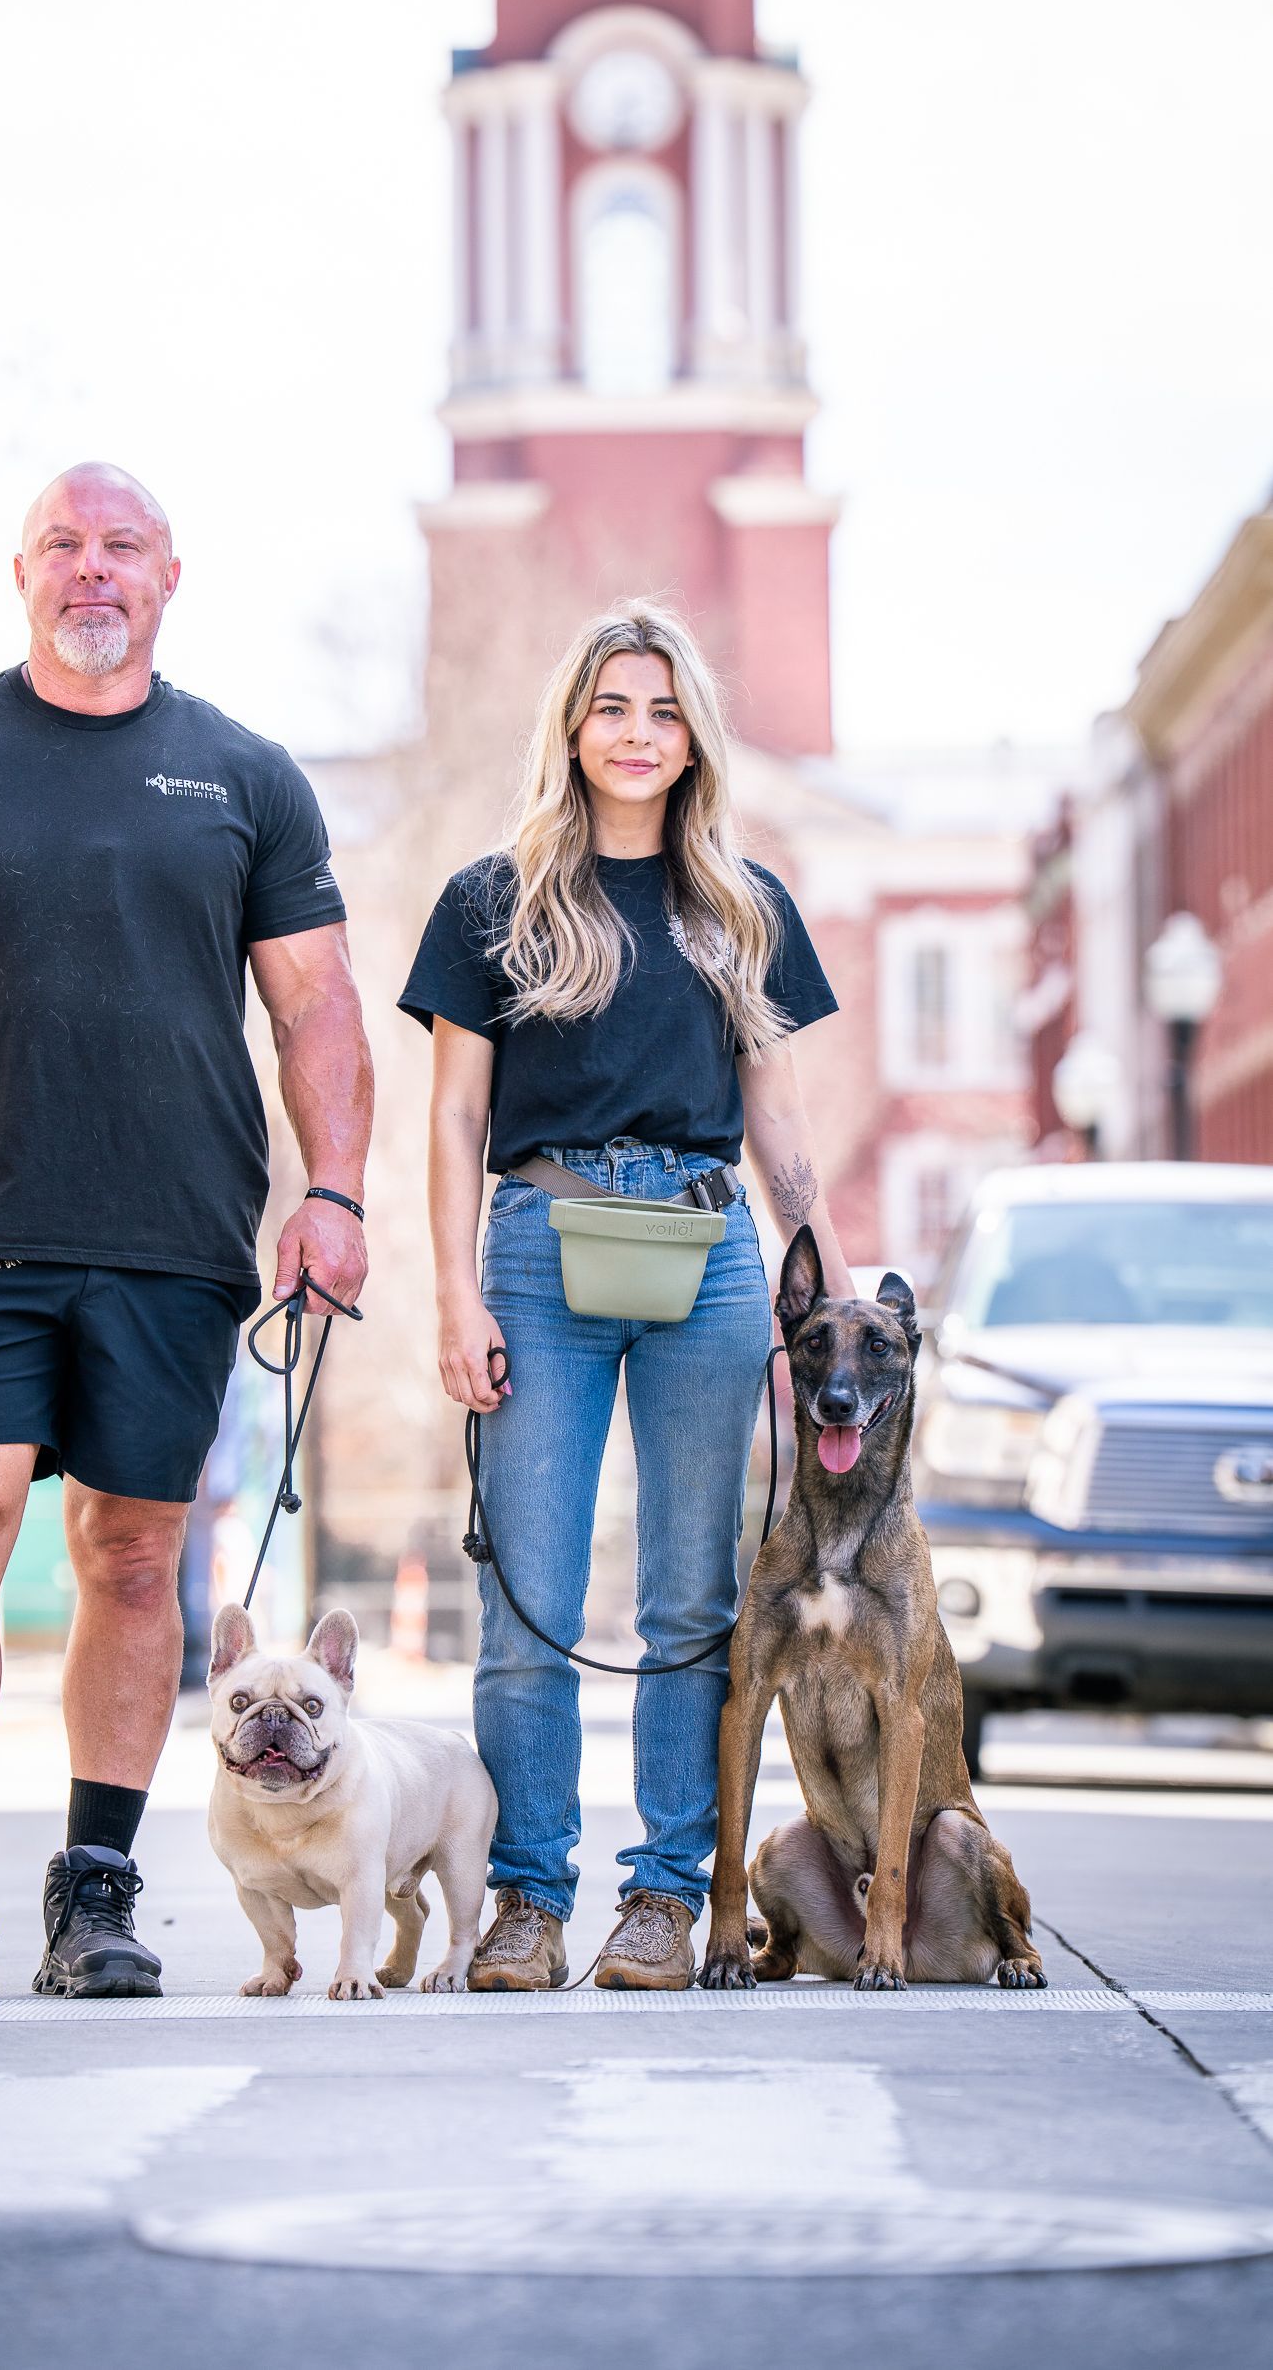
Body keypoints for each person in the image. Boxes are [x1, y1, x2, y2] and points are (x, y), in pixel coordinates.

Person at [0, 463, 371, 2007]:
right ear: (19, 574)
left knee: (133, 1551)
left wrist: (337, 1193)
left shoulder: (246, 775)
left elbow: (316, 1006)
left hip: (175, 1238)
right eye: (63, 549)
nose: (92, 573)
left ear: (170, 576)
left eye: (122, 550)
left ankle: (99, 1890)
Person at [399, 601, 852, 1993]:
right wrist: (454, 1297)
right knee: (529, 1596)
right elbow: (455, 1121)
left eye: (662, 710)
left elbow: (778, 1126)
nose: (638, 734)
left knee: (691, 1600)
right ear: (573, 728)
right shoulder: (497, 900)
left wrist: (818, 1293)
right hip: (539, 1247)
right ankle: (529, 1898)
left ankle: (663, 1894)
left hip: (708, 1255)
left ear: (692, 733)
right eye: (613, 708)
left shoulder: (743, 907)